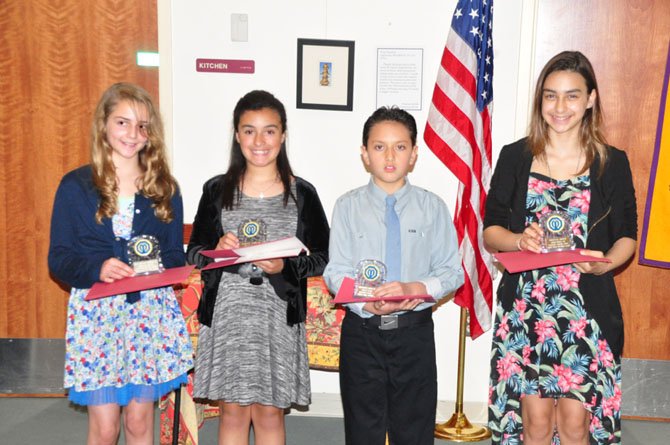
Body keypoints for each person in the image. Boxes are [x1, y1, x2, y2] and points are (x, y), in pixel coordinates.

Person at [484, 51, 637, 445]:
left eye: (572, 95)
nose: (560, 106)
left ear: (590, 99)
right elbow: (491, 231)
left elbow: (626, 237)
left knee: (573, 425)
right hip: (526, 313)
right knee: (534, 425)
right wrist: (518, 240)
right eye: (550, 96)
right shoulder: (514, 156)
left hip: (586, 311)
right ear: (540, 101)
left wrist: (605, 265)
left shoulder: (612, 163)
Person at [48, 82, 194, 445]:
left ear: (151, 134)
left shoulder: (165, 188)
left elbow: (176, 255)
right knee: (105, 427)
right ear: (104, 125)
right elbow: (59, 259)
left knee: (140, 424)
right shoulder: (75, 186)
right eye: (122, 123)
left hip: (148, 315)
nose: (133, 134)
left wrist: (157, 268)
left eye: (142, 126)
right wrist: (96, 269)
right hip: (97, 319)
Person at [187, 90, 329, 445]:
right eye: (249, 130)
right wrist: (215, 250)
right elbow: (194, 253)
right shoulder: (216, 190)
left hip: (277, 318)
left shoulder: (303, 194)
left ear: (282, 135)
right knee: (232, 413)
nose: (259, 141)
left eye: (269, 130)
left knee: (269, 414)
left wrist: (286, 265)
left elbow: (324, 258)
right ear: (237, 135)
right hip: (228, 317)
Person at [323, 106, 464, 445]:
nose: (390, 156)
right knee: (362, 431)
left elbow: (451, 271)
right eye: (379, 146)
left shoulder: (433, 207)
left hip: (413, 335)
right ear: (364, 153)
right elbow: (335, 271)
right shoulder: (347, 206)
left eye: (400, 147)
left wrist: (418, 286)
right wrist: (365, 303)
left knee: (413, 433)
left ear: (414, 154)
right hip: (362, 334)